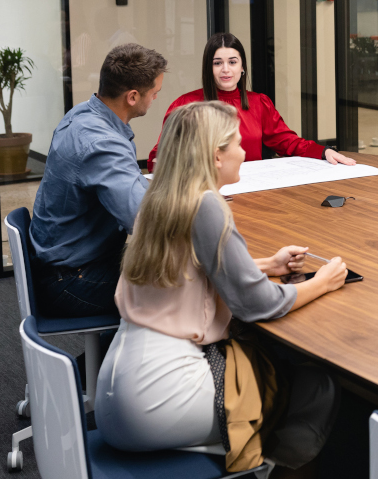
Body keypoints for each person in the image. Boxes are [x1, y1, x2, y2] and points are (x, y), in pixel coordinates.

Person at [96, 101, 347, 471]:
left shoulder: (159, 198)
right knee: (315, 383)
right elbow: (258, 303)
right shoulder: (207, 204)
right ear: (216, 156)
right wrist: (323, 283)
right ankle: (270, 464)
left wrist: (267, 264)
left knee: (261, 359)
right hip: (161, 399)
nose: (245, 152)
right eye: (238, 144)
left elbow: (187, 271)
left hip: (114, 394)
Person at [30, 43, 167, 317]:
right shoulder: (102, 143)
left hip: (67, 261)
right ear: (132, 97)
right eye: (154, 93)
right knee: (186, 288)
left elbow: (130, 183)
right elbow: (143, 220)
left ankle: (115, 357)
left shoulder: (83, 114)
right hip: (73, 279)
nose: (154, 99)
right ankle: (113, 360)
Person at [148, 32, 356, 171]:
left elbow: (287, 142)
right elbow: (159, 157)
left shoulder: (259, 103)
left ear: (242, 67)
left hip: (252, 189)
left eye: (232, 62)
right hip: (203, 196)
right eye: (217, 63)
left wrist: (324, 151)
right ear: (208, 68)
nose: (226, 69)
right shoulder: (186, 104)